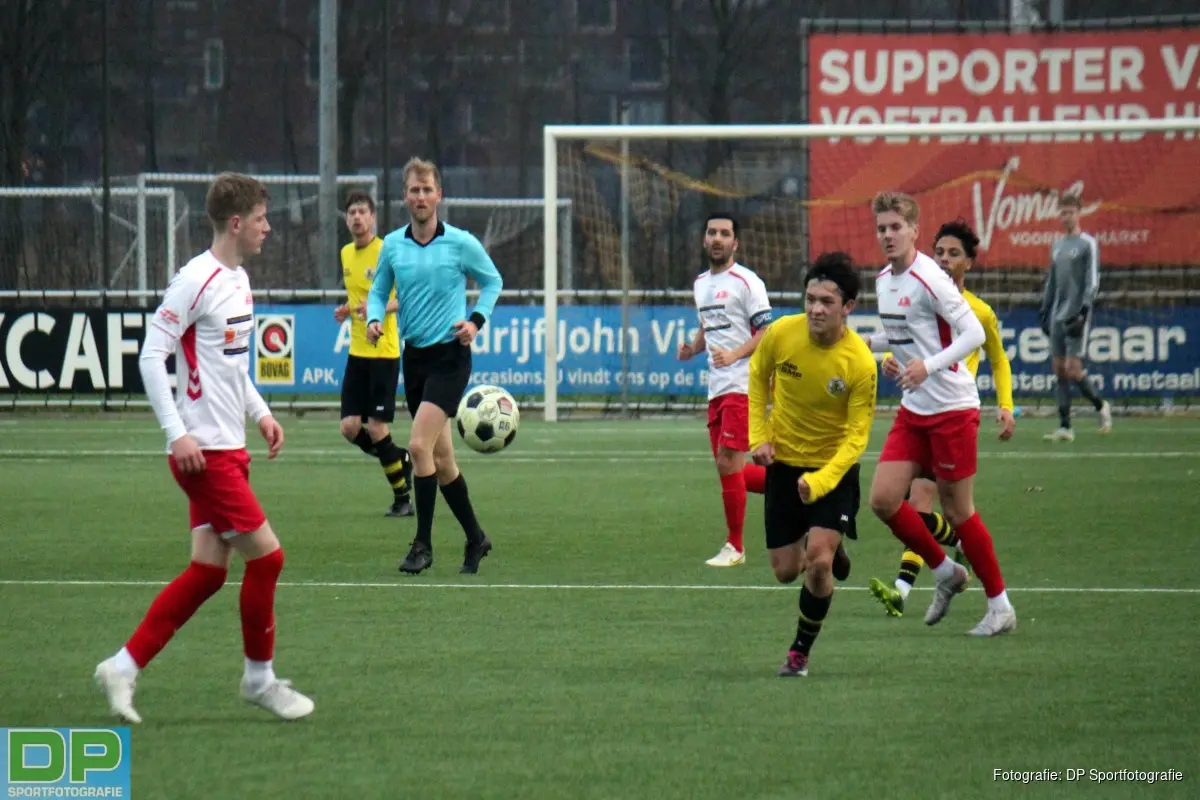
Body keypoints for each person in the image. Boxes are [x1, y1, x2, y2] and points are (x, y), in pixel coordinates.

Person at [93, 172, 314, 723]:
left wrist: (261, 414)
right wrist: (177, 432)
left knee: (209, 572)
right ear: (236, 223)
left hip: (228, 448)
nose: (268, 228)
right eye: (261, 219)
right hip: (203, 454)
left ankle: (122, 666)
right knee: (268, 558)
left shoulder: (239, 280)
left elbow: (232, 367)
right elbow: (151, 356)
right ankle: (259, 679)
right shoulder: (195, 279)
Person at [865, 190, 1017, 637]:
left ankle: (1000, 607)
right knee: (883, 500)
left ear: (914, 230)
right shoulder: (883, 280)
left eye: (896, 227)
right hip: (914, 410)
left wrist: (926, 366)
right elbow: (901, 337)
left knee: (958, 512)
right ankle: (946, 571)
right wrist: (862, 345)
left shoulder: (931, 277)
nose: (888, 235)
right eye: (881, 228)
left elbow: (972, 334)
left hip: (952, 408)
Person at [366, 158, 503, 575]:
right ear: (405, 196)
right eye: (414, 190)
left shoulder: (460, 242)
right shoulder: (393, 245)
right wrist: (374, 318)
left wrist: (475, 322)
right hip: (415, 360)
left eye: (427, 190)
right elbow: (378, 292)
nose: (421, 197)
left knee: (418, 447)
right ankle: (476, 538)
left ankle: (422, 545)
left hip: (450, 358)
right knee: (442, 461)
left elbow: (493, 281)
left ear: (439, 195)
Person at [748, 251, 877, 677]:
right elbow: (757, 376)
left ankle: (799, 653)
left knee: (818, 562)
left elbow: (857, 437)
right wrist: (759, 437)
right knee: (786, 572)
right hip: (784, 467)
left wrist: (820, 482)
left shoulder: (859, 362)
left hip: (833, 472)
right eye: (810, 299)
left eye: (826, 302)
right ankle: (827, 545)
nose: (816, 309)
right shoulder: (782, 333)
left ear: (848, 307)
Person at [677, 212, 771, 567]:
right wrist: (693, 348)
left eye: (724, 233)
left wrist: (735, 354)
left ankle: (736, 547)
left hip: (742, 385)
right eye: (712, 232)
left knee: (728, 462)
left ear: (735, 243)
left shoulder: (747, 282)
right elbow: (708, 326)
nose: (717, 238)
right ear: (705, 239)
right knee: (730, 469)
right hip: (716, 389)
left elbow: (766, 332)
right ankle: (797, 488)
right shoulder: (701, 284)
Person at [335, 190, 413, 517]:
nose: (356, 217)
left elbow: (405, 298)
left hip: (384, 352)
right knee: (350, 427)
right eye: (351, 212)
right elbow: (359, 298)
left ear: (373, 218)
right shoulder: (345, 253)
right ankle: (400, 458)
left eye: (362, 212)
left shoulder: (387, 251)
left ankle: (402, 498)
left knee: (377, 427)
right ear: (346, 219)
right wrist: (347, 309)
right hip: (357, 352)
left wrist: (379, 308)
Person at [1039, 192, 1112, 442]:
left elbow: (1092, 280)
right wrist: (1044, 309)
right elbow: (1052, 281)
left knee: (1073, 369)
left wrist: (1084, 310)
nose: (1066, 216)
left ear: (1079, 214)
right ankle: (1065, 426)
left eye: (1070, 212)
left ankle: (1101, 405)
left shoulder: (1087, 244)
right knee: (1058, 369)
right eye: (1063, 212)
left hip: (1077, 314)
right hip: (1057, 315)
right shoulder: (1057, 245)